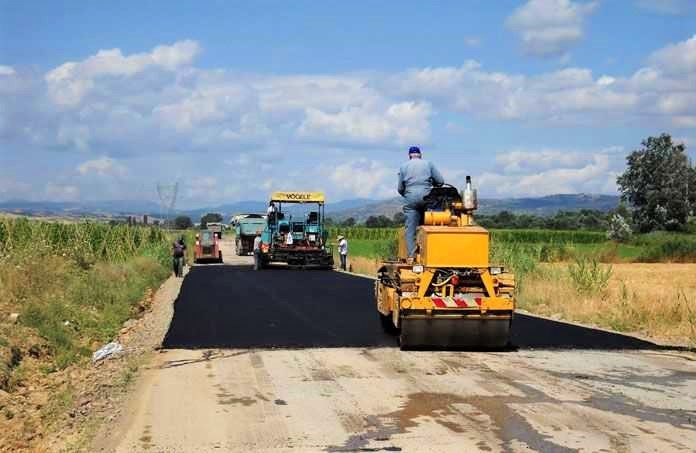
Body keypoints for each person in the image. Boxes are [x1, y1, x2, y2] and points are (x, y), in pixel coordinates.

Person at [397, 146, 444, 260]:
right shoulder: (428, 164)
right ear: (420, 155)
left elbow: (400, 188)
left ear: (409, 156)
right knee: (434, 223)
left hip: (410, 198)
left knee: (411, 229)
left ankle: (411, 256)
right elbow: (440, 181)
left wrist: (408, 195)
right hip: (427, 197)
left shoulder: (403, 166)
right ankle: (434, 254)